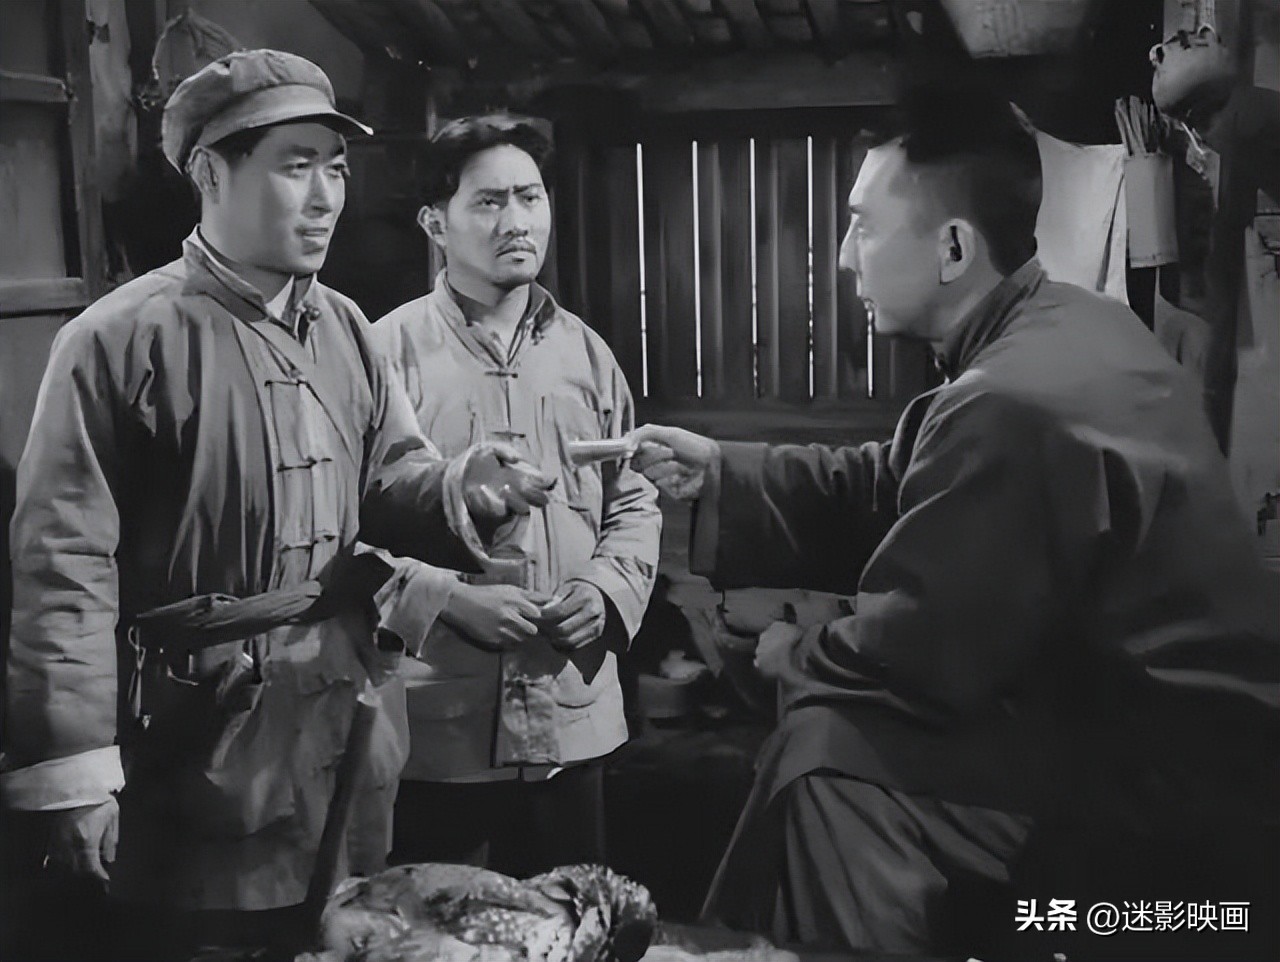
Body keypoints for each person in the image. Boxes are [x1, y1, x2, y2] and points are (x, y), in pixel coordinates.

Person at [631, 80, 1279, 957]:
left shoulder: (1015, 396)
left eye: (862, 226)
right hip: (1146, 740)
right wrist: (718, 470)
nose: (845, 259)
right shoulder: (1070, 324)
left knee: (827, 754)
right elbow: (894, 479)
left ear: (952, 248)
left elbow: (921, 657)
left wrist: (788, 653)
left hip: (1173, 800)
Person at [0, 50, 554, 960]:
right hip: (196, 733)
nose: (326, 195)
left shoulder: (345, 327)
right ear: (210, 172)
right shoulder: (118, 340)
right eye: (296, 166)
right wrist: (74, 771)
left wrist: (463, 487)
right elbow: (64, 566)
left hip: (342, 717)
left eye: (335, 168)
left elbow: (389, 478)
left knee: (343, 933)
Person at [366, 114, 660, 877]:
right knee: (439, 926)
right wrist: (447, 600)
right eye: (490, 202)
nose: (517, 222)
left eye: (530, 197)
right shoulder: (383, 354)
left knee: (574, 919)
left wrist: (604, 588)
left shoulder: (586, 354)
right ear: (436, 223)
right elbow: (340, 530)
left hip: (571, 716)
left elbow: (632, 497)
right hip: (438, 731)